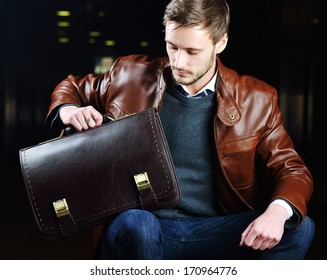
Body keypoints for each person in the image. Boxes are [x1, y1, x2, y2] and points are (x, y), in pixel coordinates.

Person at [45, 0, 315, 259]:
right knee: (139, 224)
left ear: (220, 42)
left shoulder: (258, 99)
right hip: (142, 224)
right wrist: (68, 110)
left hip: (213, 231)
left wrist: (277, 212)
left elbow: (292, 169)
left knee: (299, 228)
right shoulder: (129, 74)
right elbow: (72, 87)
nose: (179, 62)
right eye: (172, 47)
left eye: (192, 52)